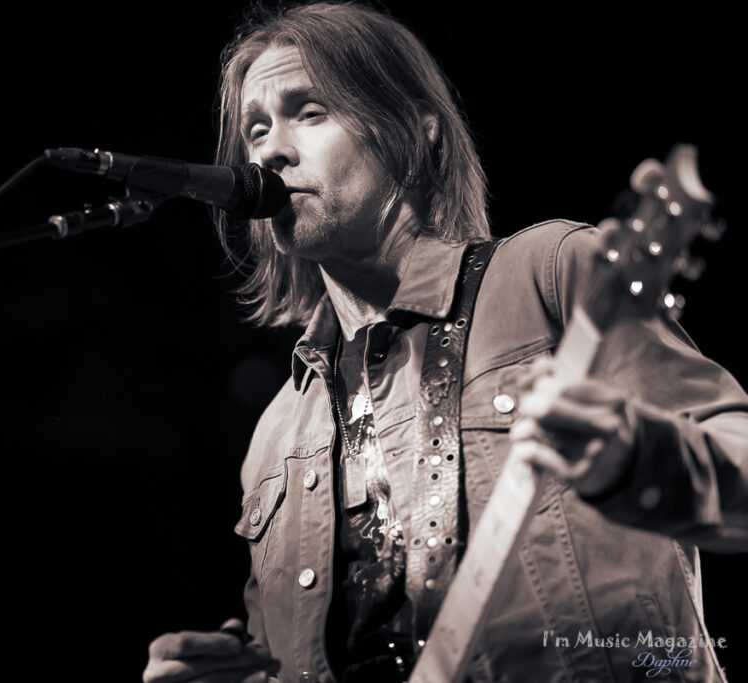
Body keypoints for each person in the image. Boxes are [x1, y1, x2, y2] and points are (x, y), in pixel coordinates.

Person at [143, 2, 748, 682]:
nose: (269, 151)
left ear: (416, 135)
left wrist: (638, 457)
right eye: (256, 129)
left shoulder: (549, 274)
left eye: (308, 112)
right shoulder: (276, 433)